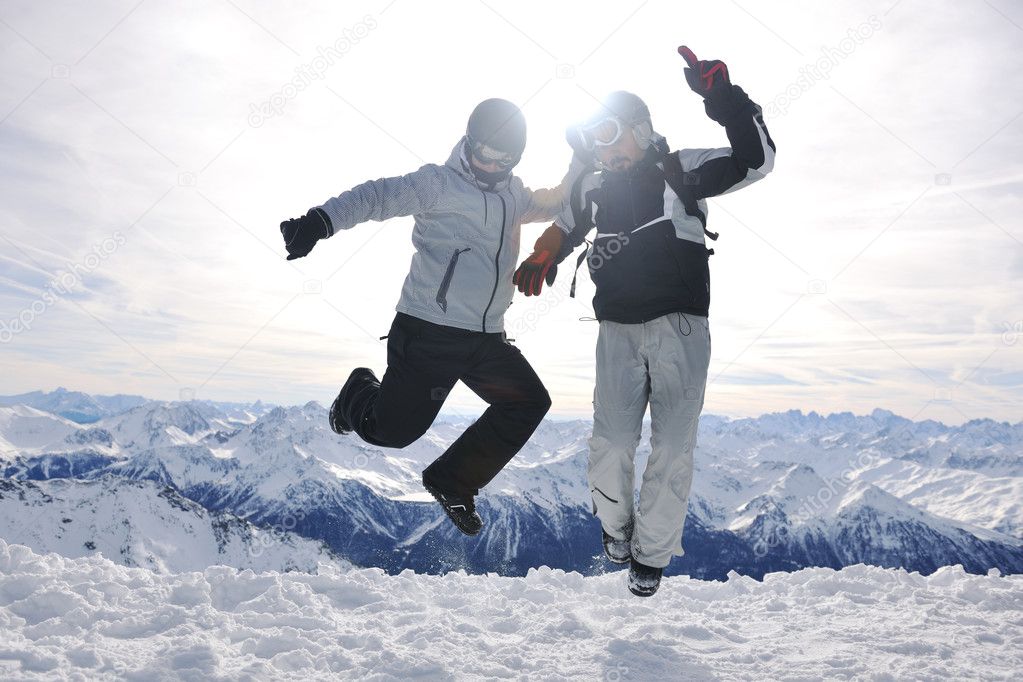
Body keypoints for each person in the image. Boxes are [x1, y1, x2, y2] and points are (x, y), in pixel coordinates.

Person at [513, 47, 776, 596]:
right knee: (610, 442)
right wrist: (545, 253)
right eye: (594, 139)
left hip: (680, 326)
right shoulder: (594, 185)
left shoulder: (681, 170)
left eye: (609, 132)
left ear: (639, 128)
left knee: (674, 447)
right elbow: (566, 223)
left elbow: (755, 161)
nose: (602, 148)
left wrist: (724, 100)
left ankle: (650, 556)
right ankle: (616, 533)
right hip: (617, 332)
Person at [280, 98, 584, 537]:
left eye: (503, 159)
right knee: (392, 434)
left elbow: (558, 199)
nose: (490, 164)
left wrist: (582, 158)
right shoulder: (438, 184)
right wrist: (319, 222)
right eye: (483, 153)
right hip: (428, 333)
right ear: (468, 142)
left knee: (527, 402)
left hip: (485, 340)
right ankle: (357, 395)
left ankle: (452, 480)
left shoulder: (515, 197)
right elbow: (375, 196)